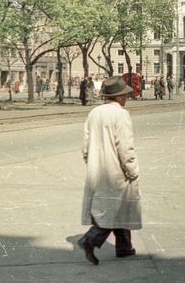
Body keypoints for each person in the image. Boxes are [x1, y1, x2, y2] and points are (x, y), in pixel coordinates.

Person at [78, 76, 141, 265]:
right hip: (116, 169)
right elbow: (125, 146)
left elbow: (86, 145)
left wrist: (91, 162)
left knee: (117, 206)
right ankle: (90, 239)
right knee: (115, 207)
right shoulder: (121, 114)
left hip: (97, 168)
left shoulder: (94, 112)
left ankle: (124, 248)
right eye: (125, 94)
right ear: (120, 97)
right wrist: (131, 169)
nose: (127, 97)